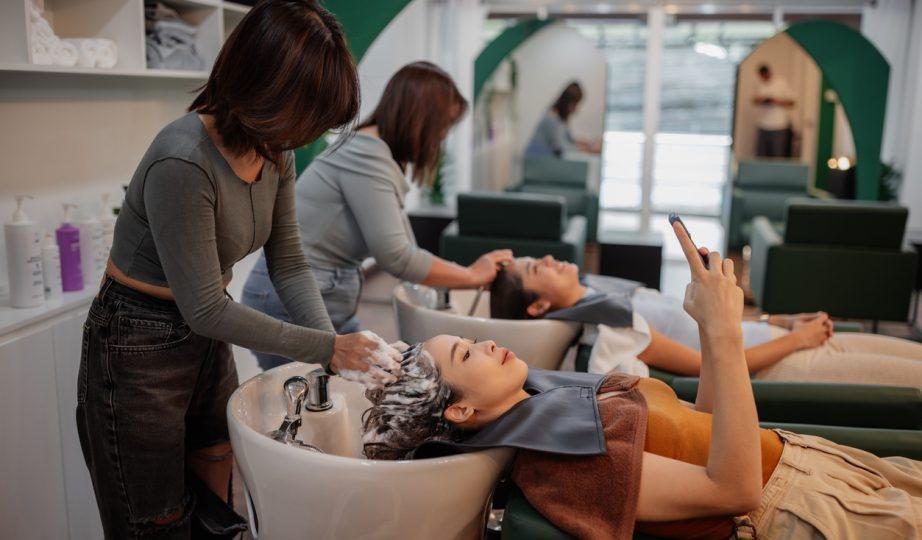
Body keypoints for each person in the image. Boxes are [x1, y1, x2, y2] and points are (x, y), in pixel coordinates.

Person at [361, 223, 922, 539]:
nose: (485, 343)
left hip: (806, 462)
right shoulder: (562, 459)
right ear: (460, 411)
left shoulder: (553, 402)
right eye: (466, 352)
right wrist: (725, 333)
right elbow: (734, 491)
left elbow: (705, 423)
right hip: (802, 511)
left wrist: (710, 329)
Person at [77, 3, 402, 538]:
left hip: (205, 336)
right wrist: (329, 348)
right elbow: (205, 308)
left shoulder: (274, 151)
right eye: (306, 117)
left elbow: (289, 261)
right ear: (265, 89)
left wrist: (332, 350)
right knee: (156, 518)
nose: (306, 136)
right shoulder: (183, 160)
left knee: (217, 489)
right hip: (138, 341)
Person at [242, 61, 512, 370]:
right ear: (420, 118)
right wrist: (472, 276)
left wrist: (459, 281)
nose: (440, 140)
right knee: (338, 387)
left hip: (318, 295)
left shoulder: (373, 153)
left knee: (378, 374)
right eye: (442, 128)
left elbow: (406, 248)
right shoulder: (366, 155)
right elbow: (396, 257)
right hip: (289, 300)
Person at [489, 254, 922, 388]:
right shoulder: (609, 324)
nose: (549, 258)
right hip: (778, 364)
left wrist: (783, 321)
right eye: (536, 268)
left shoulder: (606, 291)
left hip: (777, 336)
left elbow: (707, 317)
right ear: (538, 307)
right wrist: (798, 341)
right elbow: (709, 363)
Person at [525, 81, 601, 157]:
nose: (575, 110)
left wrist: (586, 144)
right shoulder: (551, 119)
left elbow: (569, 139)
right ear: (568, 103)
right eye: (575, 105)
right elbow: (563, 148)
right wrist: (589, 150)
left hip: (542, 160)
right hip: (535, 160)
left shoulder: (560, 120)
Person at [753, 64, 795, 158]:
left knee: (777, 154)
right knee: (761, 155)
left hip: (779, 125)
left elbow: (792, 102)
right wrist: (762, 100)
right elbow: (754, 101)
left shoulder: (781, 82)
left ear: (769, 73)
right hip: (763, 125)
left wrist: (776, 101)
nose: (764, 78)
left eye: (765, 76)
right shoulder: (759, 84)